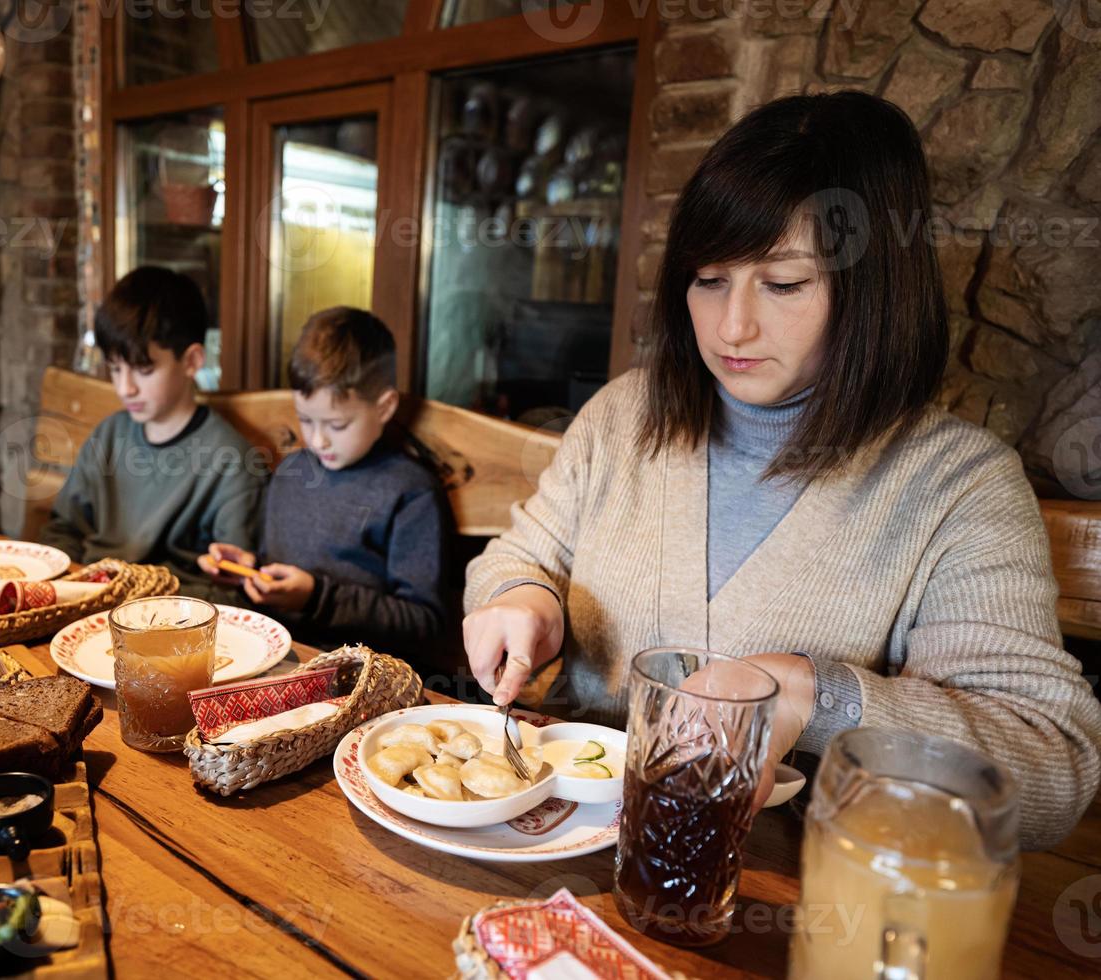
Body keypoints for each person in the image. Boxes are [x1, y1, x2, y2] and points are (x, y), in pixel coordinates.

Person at [461, 91, 1101, 850]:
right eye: (708, 278)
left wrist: (813, 694)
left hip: (790, 897)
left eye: (784, 284)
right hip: (561, 845)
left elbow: (1049, 769)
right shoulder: (627, 415)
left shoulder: (956, 485)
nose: (733, 327)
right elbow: (521, 555)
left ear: (873, 289)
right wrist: (522, 594)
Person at [199, 307, 450, 656]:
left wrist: (317, 597)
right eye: (305, 420)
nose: (318, 441)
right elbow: (277, 567)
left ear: (385, 407)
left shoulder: (410, 491)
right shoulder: (292, 472)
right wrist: (246, 571)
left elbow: (423, 622)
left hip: (359, 674)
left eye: (337, 425)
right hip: (273, 654)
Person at [41, 267, 266, 600]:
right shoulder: (110, 433)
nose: (125, 387)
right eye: (116, 369)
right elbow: (64, 529)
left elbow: (235, 588)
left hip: (168, 616)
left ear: (191, 361)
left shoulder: (231, 462)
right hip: (86, 597)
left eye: (144, 370)